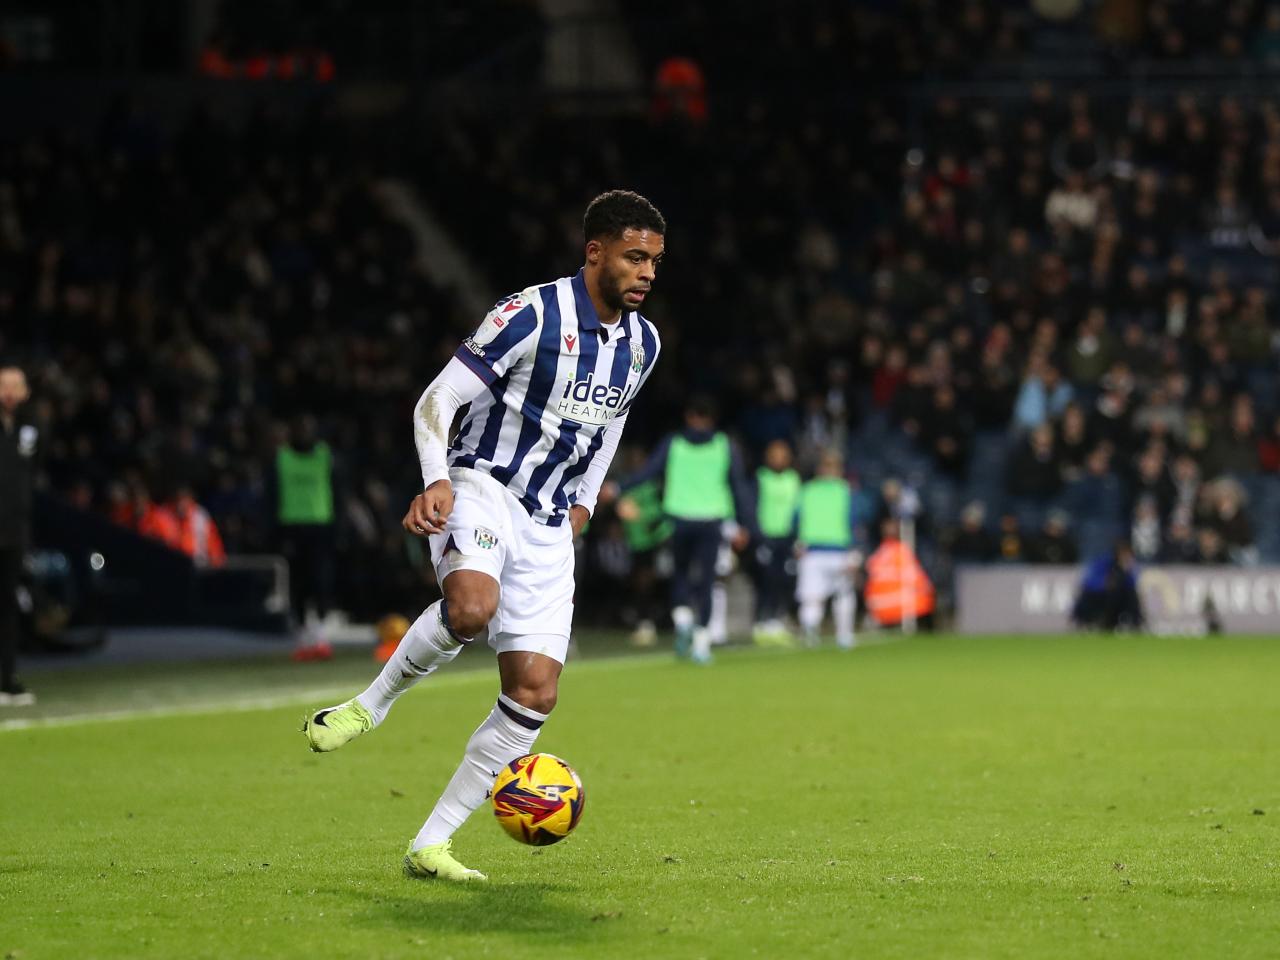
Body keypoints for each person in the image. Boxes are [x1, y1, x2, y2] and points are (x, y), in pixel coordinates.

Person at [302, 190, 666, 882]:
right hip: (484, 486)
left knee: (535, 694)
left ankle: (431, 844)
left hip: (552, 521)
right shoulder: (529, 314)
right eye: (633, 256)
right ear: (596, 253)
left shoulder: (643, 343)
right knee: (471, 608)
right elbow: (438, 398)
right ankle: (367, 707)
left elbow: (613, 420)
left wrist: (585, 502)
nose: (646, 272)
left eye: (654, 260)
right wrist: (436, 478)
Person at [620, 395, 753, 663]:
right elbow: (739, 487)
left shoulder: (674, 443)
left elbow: (648, 472)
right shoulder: (723, 445)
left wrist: (619, 487)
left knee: (679, 574)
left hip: (678, 519)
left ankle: (682, 620)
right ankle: (702, 644)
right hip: (710, 520)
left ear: (690, 416)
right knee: (706, 581)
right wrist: (747, 525)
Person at [274, 416, 336, 649]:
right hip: (292, 526)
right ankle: (301, 629)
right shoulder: (282, 458)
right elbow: (273, 494)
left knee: (320, 579)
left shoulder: (324, 456)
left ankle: (320, 628)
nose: (304, 433)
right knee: (298, 583)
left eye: (308, 429)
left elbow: (336, 490)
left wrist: (338, 529)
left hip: (320, 526)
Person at [794, 450, 861, 649]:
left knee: (827, 595)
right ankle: (832, 635)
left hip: (827, 550)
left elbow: (795, 520)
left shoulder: (806, 490)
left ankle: (837, 634)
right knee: (821, 596)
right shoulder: (846, 490)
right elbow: (855, 521)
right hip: (823, 550)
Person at [0, 365, 38, 705]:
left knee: (9, 606)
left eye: (15, 386)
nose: (9, 392)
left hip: (14, 532)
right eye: (3, 385)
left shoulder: (30, 429)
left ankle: (7, 679)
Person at [750, 439, 800, 644]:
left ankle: (777, 619)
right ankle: (761, 622)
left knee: (784, 580)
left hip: (787, 537)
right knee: (766, 580)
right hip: (767, 536)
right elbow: (753, 507)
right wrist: (757, 535)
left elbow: (798, 508)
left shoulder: (793, 478)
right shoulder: (761, 478)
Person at [1071, 540, 1143, 631]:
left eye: (1128, 554)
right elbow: (1089, 582)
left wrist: (1126, 571)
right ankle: (1101, 621)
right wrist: (1104, 584)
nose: (1126, 556)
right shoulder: (1104, 562)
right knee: (1112, 594)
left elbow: (1132, 584)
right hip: (1098, 596)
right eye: (1124, 553)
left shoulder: (1128, 566)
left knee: (1130, 594)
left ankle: (1135, 623)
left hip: (1118, 599)